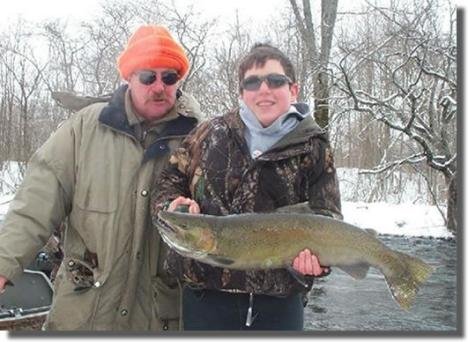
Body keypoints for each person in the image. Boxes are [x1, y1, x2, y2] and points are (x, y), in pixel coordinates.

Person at [0, 24, 201, 331]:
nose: (159, 86)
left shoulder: (200, 138)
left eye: (169, 77)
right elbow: (35, 204)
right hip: (83, 316)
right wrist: (4, 265)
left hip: (159, 320)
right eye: (148, 76)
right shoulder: (83, 129)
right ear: (129, 77)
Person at [151, 43, 342, 330]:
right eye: (252, 82)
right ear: (241, 93)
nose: (263, 89)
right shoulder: (207, 133)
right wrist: (172, 205)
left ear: (293, 90)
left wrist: (318, 262)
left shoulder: (314, 147)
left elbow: (329, 218)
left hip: (282, 302)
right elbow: (167, 184)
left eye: (275, 80)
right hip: (206, 299)